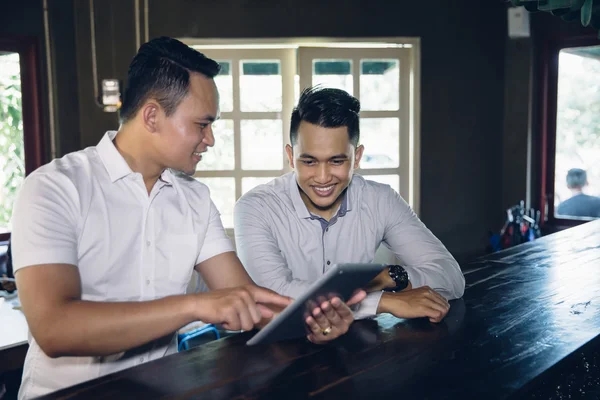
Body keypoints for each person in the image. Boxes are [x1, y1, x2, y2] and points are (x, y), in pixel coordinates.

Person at [10, 38, 360, 399]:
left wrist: (311, 320)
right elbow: (54, 329)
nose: (209, 139)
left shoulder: (195, 199)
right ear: (151, 116)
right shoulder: (54, 187)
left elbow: (245, 300)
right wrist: (193, 305)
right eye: (201, 124)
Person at [234, 86, 465, 330]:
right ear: (291, 157)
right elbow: (275, 299)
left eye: (337, 161)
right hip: (275, 353)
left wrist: (390, 277)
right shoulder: (254, 207)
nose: (323, 177)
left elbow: (450, 276)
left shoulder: (381, 200)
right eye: (309, 161)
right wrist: (381, 300)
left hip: (354, 352)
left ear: (357, 157)